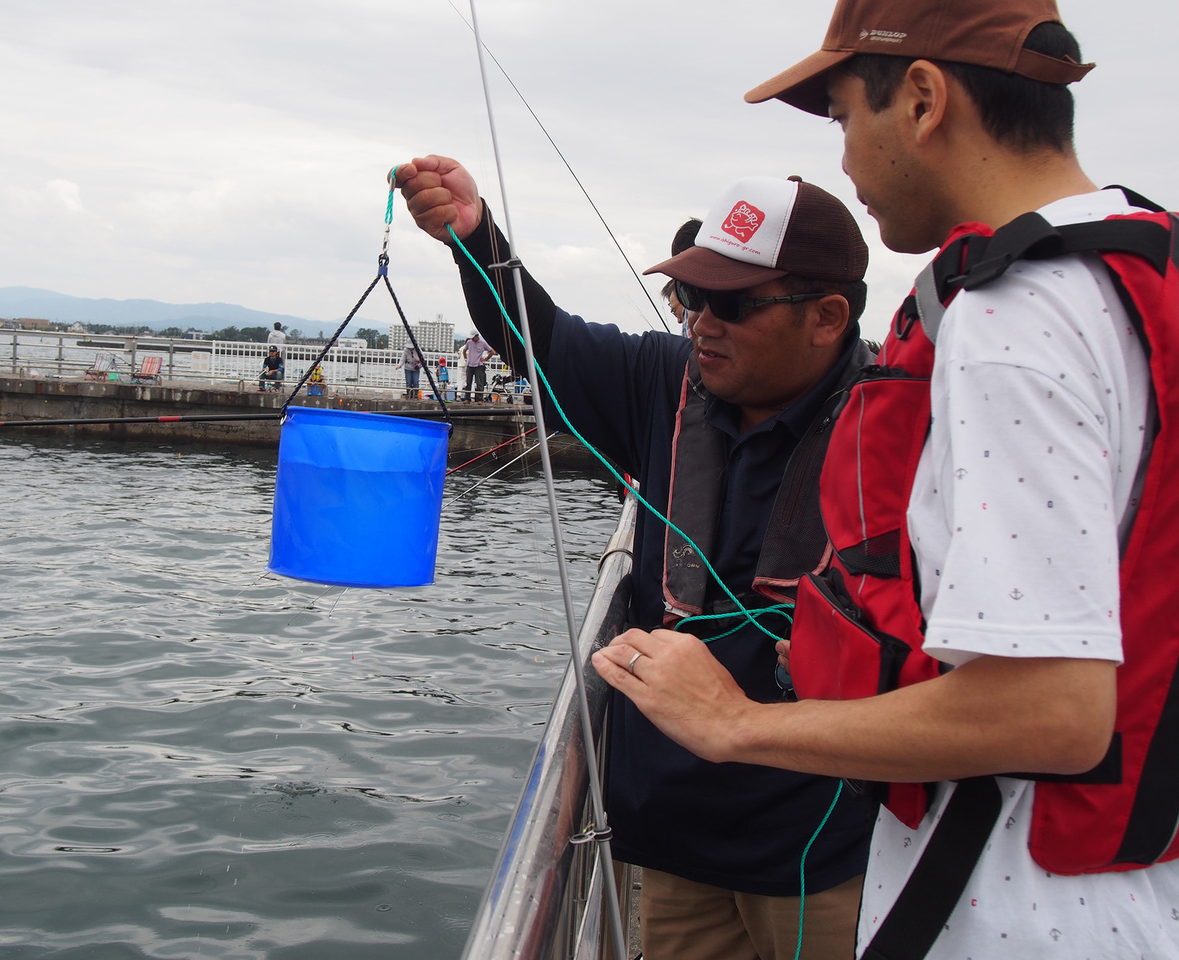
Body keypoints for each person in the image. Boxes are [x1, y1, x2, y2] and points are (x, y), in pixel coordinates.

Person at [593, 1, 1179, 957]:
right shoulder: (1135, 267)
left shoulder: (1011, 316)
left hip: (1011, 912)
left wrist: (736, 724)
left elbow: (1051, 710)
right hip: (1129, 896)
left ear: (920, 98)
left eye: (841, 120)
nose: (848, 164)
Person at [398, 157, 876, 960]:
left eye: (729, 302)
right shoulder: (662, 381)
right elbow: (539, 337)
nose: (699, 322)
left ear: (827, 316)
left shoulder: (902, 428)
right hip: (669, 838)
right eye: (691, 297)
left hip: (825, 853)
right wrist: (475, 238)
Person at [461, 332, 494, 402]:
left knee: (479, 383)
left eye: (473, 337)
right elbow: (464, 350)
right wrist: (466, 359)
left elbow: (492, 352)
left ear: (477, 336)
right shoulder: (469, 342)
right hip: (470, 365)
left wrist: (485, 359)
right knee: (468, 382)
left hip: (479, 365)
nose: (472, 339)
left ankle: (480, 399)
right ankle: (467, 398)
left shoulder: (483, 343)